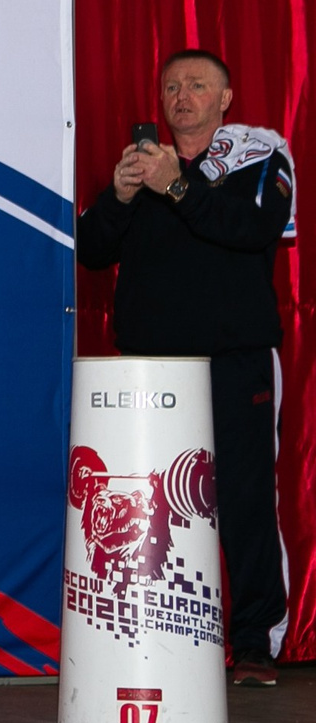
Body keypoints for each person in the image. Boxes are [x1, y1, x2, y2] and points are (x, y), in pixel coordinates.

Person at [76, 49, 296, 686]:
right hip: (148, 369)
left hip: (234, 362)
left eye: (198, 85)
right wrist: (119, 196)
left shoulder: (259, 157)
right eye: (172, 86)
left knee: (245, 500)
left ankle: (255, 641)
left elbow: (251, 228)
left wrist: (177, 185)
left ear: (225, 99)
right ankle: (152, 633)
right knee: (145, 505)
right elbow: (91, 252)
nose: (183, 96)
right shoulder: (143, 169)